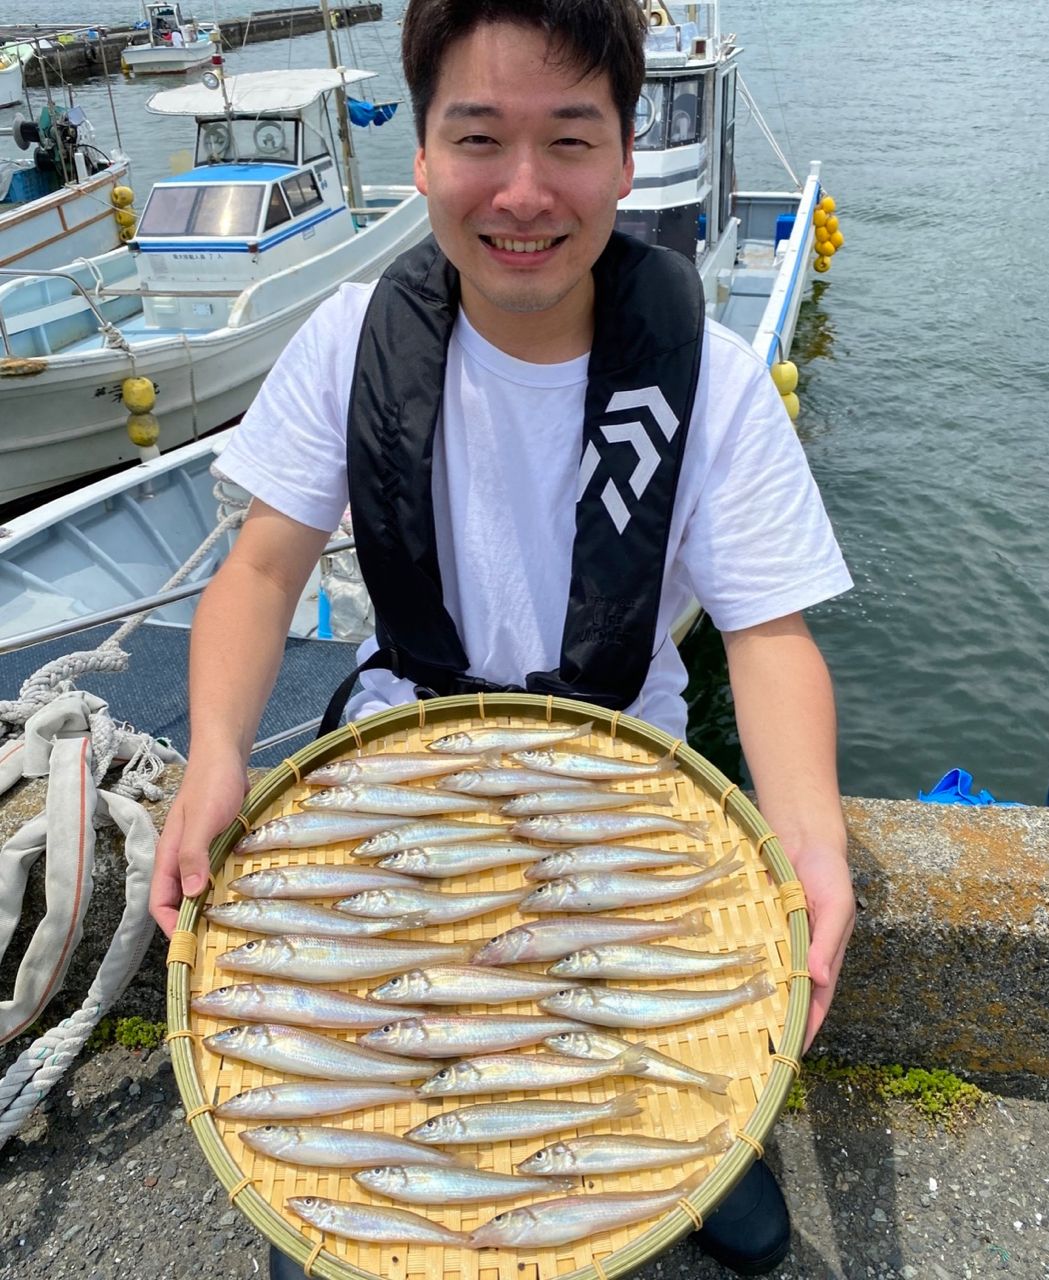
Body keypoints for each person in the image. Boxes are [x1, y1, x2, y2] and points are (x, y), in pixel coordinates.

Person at [150, 1, 855, 1275]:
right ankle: (363, 1177)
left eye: (569, 141)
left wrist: (811, 841)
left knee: (652, 1030)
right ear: (420, 152)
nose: (523, 192)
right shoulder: (350, 344)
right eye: (478, 137)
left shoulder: (713, 381)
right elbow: (260, 573)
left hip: (623, 778)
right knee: (365, 1115)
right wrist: (212, 752)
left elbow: (770, 635)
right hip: (393, 760)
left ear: (626, 160)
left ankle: (698, 1136)